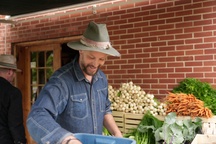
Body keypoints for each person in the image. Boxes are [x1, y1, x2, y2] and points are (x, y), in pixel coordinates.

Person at [27, 21, 122, 144]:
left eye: (101, 59)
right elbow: (36, 116)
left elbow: (105, 109)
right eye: (91, 57)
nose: (95, 64)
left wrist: (117, 134)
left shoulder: (102, 79)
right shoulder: (61, 81)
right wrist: (67, 140)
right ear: (81, 51)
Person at [0, 54, 27, 144]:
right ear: (10, 72)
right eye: (15, 73)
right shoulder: (13, 92)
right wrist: (21, 141)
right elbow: (15, 124)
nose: (14, 76)